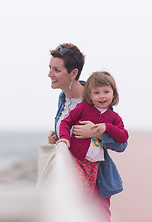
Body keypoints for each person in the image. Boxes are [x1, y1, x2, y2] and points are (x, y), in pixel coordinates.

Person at [47, 43, 128, 221]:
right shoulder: (63, 98)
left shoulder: (96, 100)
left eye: (56, 70)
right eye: (50, 68)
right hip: (73, 172)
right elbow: (68, 125)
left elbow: (122, 143)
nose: (49, 74)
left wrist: (96, 133)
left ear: (73, 73)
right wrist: (58, 136)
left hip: (96, 175)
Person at [56, 71, 129, 199]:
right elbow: (65, 122)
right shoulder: (83, 108)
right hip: (76, 160)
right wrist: (64, 138)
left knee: (87, 199)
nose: (102, 96)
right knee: (75, 195)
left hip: (94, 165)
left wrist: (107, 127)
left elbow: (123, 137)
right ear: (89, 95)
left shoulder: (114, 117)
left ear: (113, 93)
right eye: (96, 93)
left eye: (106, 92)